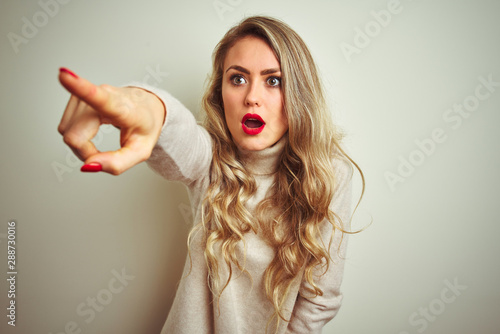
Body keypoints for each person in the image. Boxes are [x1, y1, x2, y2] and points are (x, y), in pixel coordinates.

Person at [58, 16, 364, 334]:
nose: (251, 98)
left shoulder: (330, 175)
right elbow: (174, 132)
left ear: (298, 94)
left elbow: (320, 300)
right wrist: (144, 105)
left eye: (273, 81)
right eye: (238, 79)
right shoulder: (210, 159)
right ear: (221, 91)